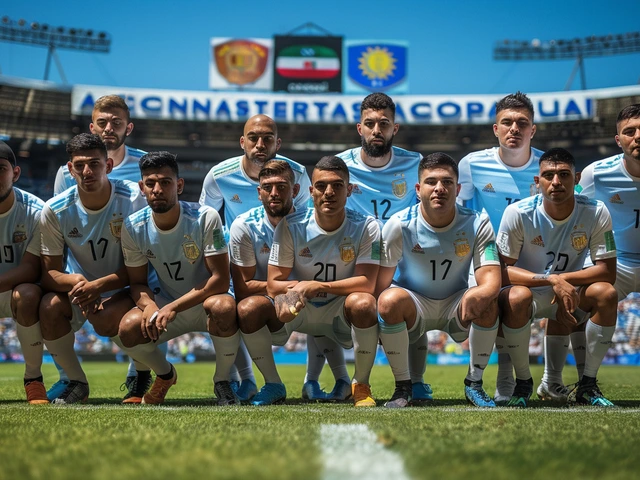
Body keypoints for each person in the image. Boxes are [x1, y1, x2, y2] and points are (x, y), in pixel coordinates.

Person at [457, 91, 580, 404]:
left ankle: (547, 381)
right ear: (495, 129)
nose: (514, 128)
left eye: (521, 123)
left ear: (532, 130)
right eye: (506, 122)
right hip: (487, 260)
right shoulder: (471, 165)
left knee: (523, 306)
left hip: (534, 258)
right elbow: (458, 215)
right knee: (495, 303)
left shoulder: (548, 169)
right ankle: (500, 380)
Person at [199, 114, 311, 401]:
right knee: (237, 308)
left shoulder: (296, 173)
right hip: (243, 256)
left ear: (278, 142)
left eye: (267, 138)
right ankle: (247, 380)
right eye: (253, 138)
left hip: (287, 259)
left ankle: (324, 380)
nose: (260, 144)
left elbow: (306, 222)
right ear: (242, 142)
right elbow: (205, 221)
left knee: (315, 305)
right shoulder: (219, 175)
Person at [377, 152, 501, 408]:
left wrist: (483, 293)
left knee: (488, 298)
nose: (439, 189)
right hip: (414, 304)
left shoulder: (478, 221)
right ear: (418, 188)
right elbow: (381, 284)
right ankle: (403, 387)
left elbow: (491, 279)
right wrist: (377, 317)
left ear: (458, 189)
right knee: (388, 300)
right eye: (431, 182)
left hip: (456, 302)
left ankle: (475, 383)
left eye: (447, 182)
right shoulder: (399, 224)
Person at [50, 94, 152, 403]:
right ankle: (70, 378)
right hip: (83, 270)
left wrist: (115, 283)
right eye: (102, 122)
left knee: (122, 319)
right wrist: (75, 282)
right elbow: (62, 229)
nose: (109, 128)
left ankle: (140, 370)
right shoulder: (65, 175)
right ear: (92, 126)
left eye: (116, 123)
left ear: (128, 127)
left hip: (129, 271)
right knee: (47, 307)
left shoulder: (144, 165)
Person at [497, 147, 618, 407]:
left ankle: (587, 383)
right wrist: (553, 280)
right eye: (548, 175)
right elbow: (502, 271)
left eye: (564, 175)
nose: (556, 182)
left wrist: (565, 282)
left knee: (606, 293)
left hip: (570, 290)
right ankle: (523, 381)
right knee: (516, 297)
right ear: (536, 181)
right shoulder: (517, 213)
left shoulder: (597, 211)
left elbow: (608, 271)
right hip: (530, 289)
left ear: (576, 179)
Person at [118, 151, 240, 405]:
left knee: (225, 306)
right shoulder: (132, 226)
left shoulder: (206, 217)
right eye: (150, 183)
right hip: (166, 304)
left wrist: (173, 307)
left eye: (165, 182)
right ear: (142, 187)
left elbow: (219, 279)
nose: (157, 189)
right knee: (128, 329)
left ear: (179, 185)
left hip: (205, 303)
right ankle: (164, 375)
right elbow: (138, 283)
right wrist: (150, 306)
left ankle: (223, 381)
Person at [334, 92, 432, 403]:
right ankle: (332, 380)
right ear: (359, 128)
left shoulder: (415, 163)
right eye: (370, 123)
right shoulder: (342, 166)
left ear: (395, 129)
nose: (377, 129)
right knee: (338, 315)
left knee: (407, 310)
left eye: (384, 124)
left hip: (401, 256)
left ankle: (415, 382)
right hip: (357, 256)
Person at [267, 155, 381, 407]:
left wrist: (319, 285)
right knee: (251, 308)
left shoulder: (367, 226)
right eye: (321, 186)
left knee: (363, 303)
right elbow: (274, 283)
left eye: (338, 185)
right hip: (302, 305)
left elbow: (367, 284)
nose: (329, 192)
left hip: (341, 307)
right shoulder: (290, 226)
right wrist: (298, 290)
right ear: (310, 191)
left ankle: (360, 385)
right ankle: (266, 383)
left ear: (349, 190)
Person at [229, 160, 308, 405]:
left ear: (295, 190)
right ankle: (272, 383)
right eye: (267, 187)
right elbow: (243, 286)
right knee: (246, 307)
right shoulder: (244, 226)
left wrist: (306, 287)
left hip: (315, 298)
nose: (274, 193)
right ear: (259, 191)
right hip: (273, 301)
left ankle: (334, 380)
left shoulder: (314, 221)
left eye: (282, 187)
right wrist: (291, 286)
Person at [0, 141, 47, 404]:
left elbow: (30, 268)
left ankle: (33, 379)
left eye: (0, 169)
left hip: (16, 292)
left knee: (28, 294)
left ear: (15, 173)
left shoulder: (37, 211)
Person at [579, 104, 640, 304]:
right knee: (590, 297)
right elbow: (569, 210)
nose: (637, 136)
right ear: (618, 141)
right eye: (629, 132)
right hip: (615, 262)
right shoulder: (595, 174)